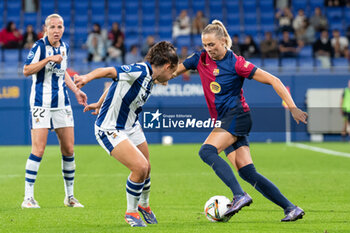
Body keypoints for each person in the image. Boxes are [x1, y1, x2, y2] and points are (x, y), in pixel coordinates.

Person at [172, 20, 308, 222]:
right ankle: (290, 208)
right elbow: (172, 71)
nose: (208, 49)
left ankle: (239, 195)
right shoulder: (199, 59)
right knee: (247, 172)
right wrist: (150, 77)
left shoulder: (236, 63)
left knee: (207, 151)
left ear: (224, 41)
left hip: (237, 116)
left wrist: (292, 106)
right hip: (225, 120)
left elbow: (274, 80)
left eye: (212, 45)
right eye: (205, 45)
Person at [73, 41, 178, 227]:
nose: (171, 77)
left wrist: (98, 103)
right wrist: (87, 77)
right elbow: (110, 72)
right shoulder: (139, 70)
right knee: (139, 168)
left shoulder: (152, 77)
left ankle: (144, 206)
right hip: (110, 128)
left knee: (147, 168)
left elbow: (117, 83)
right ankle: (131, 212)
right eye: (172, 71)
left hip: (131, 126)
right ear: (167, 65)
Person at [21, 14, 87, 209]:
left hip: (62, 104)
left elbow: (63, 71)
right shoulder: (39, 47)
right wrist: (48, 58)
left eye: (60, 27)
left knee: (68, 149)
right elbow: (26, 70)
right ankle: (28, 198)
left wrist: (76, 91)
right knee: (38, 150)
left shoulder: (64, 47)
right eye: (53, 27)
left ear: (63, 28)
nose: (56, 30)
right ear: (46, 29)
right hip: (41, 104)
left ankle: (70, 197)